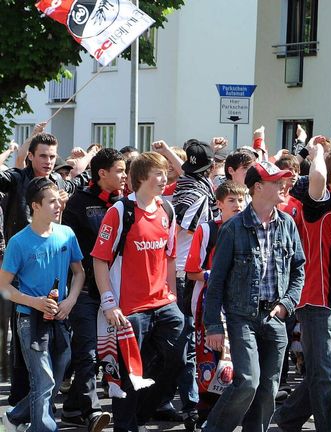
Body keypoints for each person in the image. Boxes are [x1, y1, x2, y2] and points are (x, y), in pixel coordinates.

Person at [202, 163, 305, 432]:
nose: (284, 185)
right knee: (248, 381)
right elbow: (217, 281)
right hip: (241, 316)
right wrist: (213, 324)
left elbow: (298, 269)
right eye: (276, 181)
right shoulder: (233, 228)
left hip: (276, 317)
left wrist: (287, 304)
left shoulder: (287, 224)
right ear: (258, 187)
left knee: (269, 388)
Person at [274, 140, 331, 432]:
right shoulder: (320, 202)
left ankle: (288, 417)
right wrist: (317, 155)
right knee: (324, 375)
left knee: (327, 374)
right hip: (316, 299)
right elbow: (316, 178)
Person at [91, 152, 184, 432]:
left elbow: (169, 256)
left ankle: (141, 417)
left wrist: (173, 297)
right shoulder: (119, 211)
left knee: (176, 359)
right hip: (129, 309)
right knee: (130, 374)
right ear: (142, 177)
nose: (164, 178)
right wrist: (109, 303)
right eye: (158, 173)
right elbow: (99, 259)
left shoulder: (167, 210)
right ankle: (127, 426)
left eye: (165, 172)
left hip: (163, 304)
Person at [0, 131, 90, 406]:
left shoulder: (61, 182)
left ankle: (39, 404)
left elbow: (83, 177)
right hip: (20, 269)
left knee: (56, 349)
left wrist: (87, 158)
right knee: (22, 340)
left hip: (56, 272)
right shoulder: (16, 178)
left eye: (53, 156)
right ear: (30, 155)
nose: (49, 161)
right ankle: (20, 403)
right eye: (43, 156)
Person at [60, 148, 127, 431]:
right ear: (102, 174)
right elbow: (71, 253)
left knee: (105, 354)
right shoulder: (77, 204)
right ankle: (92, 410)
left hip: (117, 291)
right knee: (86, 351)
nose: (125, 176)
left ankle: (73, 408)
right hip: (86, 290)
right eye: (120, 171)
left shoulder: (126, 204)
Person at [183, 180, 247, 425]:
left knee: (236, 361)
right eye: (231, 200)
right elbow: (192, 271)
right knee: (209, 359)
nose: (238, 205)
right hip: (209, 306)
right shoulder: (207, 230)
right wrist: (218, 274)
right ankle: (206, 413)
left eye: (241, 200)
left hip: (240, 306)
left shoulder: (249, 228)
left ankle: (230, 414)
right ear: (219, 204)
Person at [169, 138, 221, 427]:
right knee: (188, 342)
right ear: (210, 167)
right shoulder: (199, 194)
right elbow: (178, 227)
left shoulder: (186, 183)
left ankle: (176, 400)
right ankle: (192, 405)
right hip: (185, 275)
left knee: (184, 341)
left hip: (177, 273)